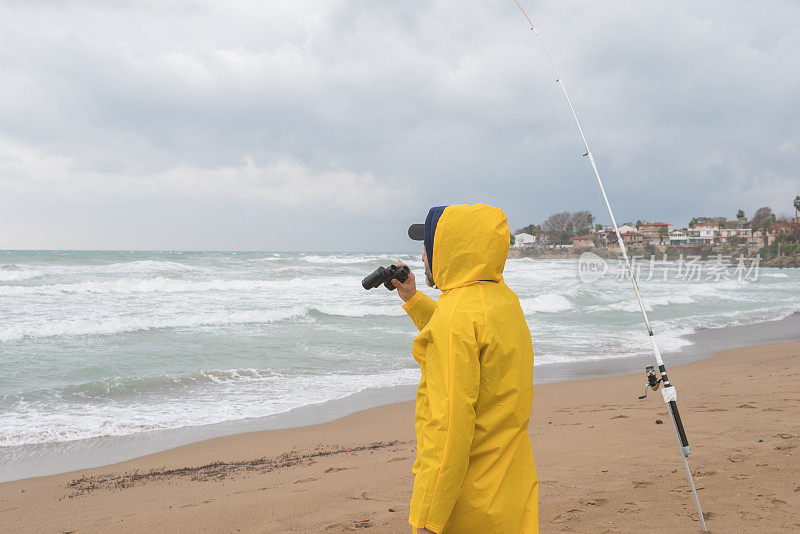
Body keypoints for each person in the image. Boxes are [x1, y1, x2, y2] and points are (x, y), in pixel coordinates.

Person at [391, 203, 538, 534]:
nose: (424, 257)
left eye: (430, 247)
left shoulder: (458, 316)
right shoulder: (503, 301)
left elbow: (449, 428)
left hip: (469, 508)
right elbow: (467, 338)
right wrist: (413, 298)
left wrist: (428, 518)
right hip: (512, 493)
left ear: (451, 250)